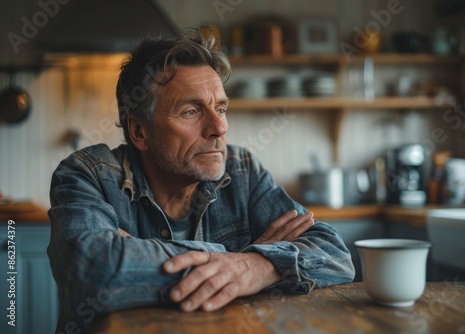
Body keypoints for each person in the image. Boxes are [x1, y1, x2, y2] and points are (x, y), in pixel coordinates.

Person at [47, 27, 355, 333]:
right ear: (140, 131)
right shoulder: (88, 174)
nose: (219, 127)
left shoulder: (242, 170)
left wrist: (258, 265)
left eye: (221, 108)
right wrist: (239, 259)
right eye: (192, 111)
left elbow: (336, 256)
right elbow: (91, 271)